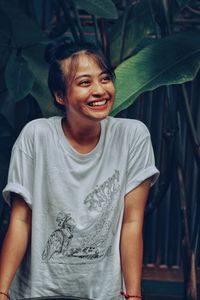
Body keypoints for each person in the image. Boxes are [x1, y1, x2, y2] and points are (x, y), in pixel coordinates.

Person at [0, 40, 159, 300]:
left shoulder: (132, 136)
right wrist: (2, 291)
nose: (100, 90)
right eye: (85, 83)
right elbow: (20, 219)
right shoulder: (36, 135)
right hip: (37, 291)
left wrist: (133, 295)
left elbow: (132, 223)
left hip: (103, 293)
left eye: (105, 79)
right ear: (60, 96)